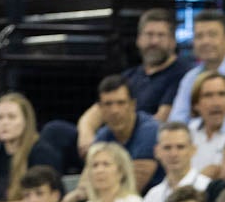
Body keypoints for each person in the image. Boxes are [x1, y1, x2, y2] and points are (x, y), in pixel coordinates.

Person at [74, 8, 192, 152]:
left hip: (144, 145)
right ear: (139, 40)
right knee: (57, 130)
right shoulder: (129, 76)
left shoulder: (182, 74)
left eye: (161, 35)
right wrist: (87, 135)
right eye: (149, 35)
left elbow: (160, 121)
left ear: (173, 41)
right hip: (109, 142)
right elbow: (96, 112)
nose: (154, 41)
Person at [135, 122, 211, 202]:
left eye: (180, 147)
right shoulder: (153, 194)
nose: (174, 154)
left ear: (193, 150)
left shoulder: (207, 187)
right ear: (157, 151)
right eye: (167, 148)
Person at [172, 10, 225, 125]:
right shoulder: (190, 78)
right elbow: (177, 120)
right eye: (199, 36)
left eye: (212, 35)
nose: (205, 41)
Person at [88, 75, 160, 189]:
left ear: (133, 105)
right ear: (100, 108)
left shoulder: (150, 130)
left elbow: (135, 185)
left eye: (121, 103)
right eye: (108, 104)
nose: (114, 110)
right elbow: (87, 178)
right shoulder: (102, 136)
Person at [186, 72, 225, 180]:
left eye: (222, 94)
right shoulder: (190, 132)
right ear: (196, 104)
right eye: (208, 95)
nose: (216, 103)